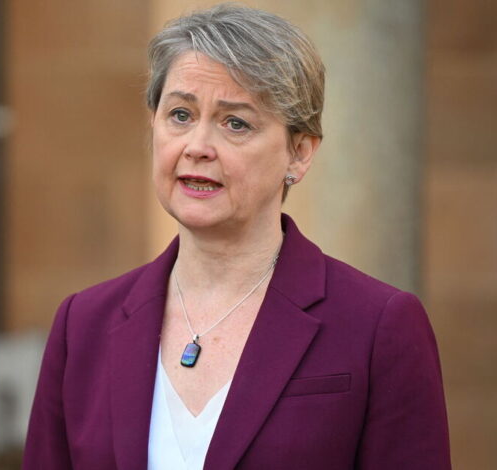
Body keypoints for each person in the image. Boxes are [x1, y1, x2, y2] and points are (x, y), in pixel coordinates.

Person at [23, 4, 451, 470]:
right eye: (181, 114)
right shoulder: (82, 325)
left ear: (299, 153)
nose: (197, 147)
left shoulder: (379, 325)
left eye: (236, 123)